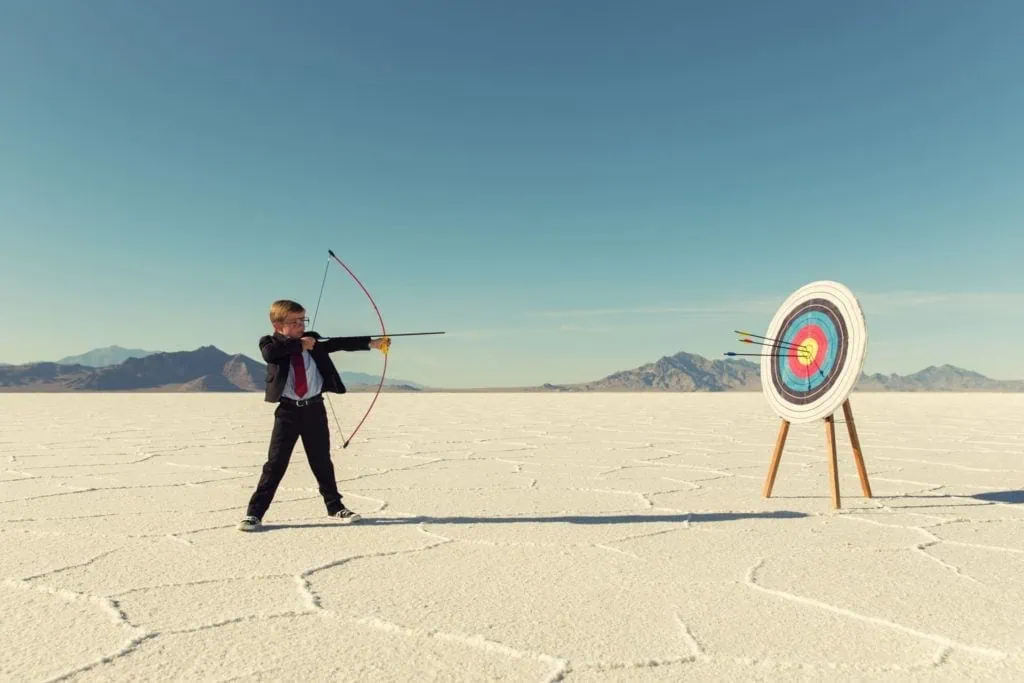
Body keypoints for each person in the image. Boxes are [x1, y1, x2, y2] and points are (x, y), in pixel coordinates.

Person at [238, 299, 387, 531]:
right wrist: (299, 346)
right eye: (294, 322)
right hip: (287, 412)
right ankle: (254, 514)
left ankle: (335, 507)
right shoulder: (270, 342)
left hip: (314, 410)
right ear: (279, 326)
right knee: (275, 464)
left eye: (302, 320)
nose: (300, 325)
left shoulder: (313, 340)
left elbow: (338, 343)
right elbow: (270, 354)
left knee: (321, 461)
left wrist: (372, 343)